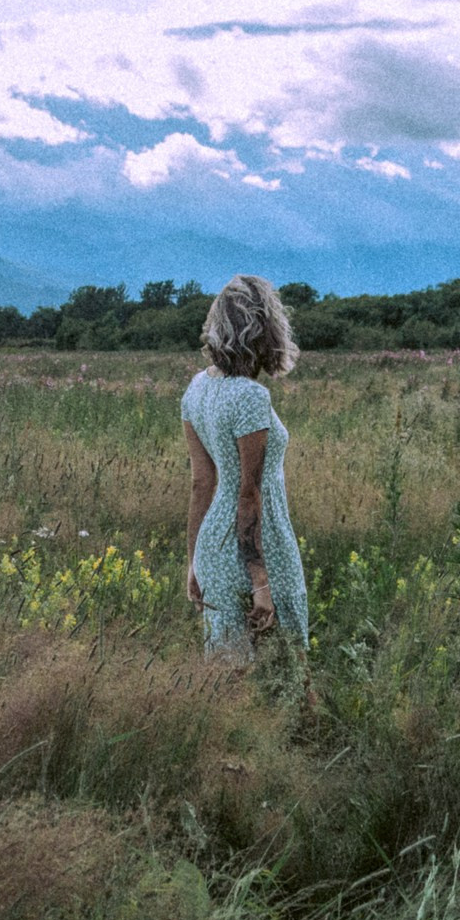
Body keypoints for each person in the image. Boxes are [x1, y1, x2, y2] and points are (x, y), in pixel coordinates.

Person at [181, 274, 307, 659]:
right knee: (289, 667)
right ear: (265, 329)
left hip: (212, 550)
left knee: (229, 674)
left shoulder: (196, 388)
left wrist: (194, 563)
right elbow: (248, 494)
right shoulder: (250, 397)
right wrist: (261, 583)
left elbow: (202, 484)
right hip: (261, 548)